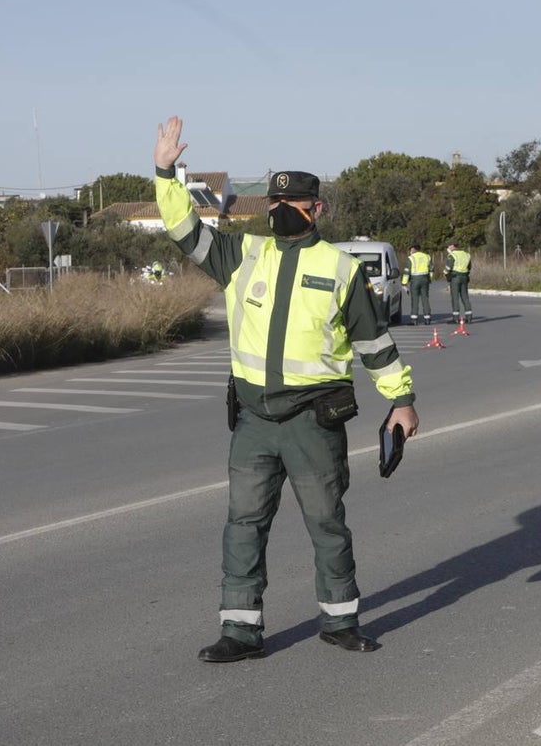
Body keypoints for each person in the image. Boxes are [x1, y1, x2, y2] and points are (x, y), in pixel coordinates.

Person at [153, 116, 419, 662]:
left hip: (312, 422)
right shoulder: (243, 255)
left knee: (326, 523)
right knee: (243, 526)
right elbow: (183, 230)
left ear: (315, 209)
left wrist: (401, 400)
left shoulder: (342, 270)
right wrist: (164, 173)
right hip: (253, 420)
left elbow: (374, 342)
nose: (278, 211)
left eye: (290, 204)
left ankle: (340, 622)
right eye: (272, 204)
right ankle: (240, 632)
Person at [402, 243, 432, 325]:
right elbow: (431, 269)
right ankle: (427, 319)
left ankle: (414, 320)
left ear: (413, 249)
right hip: (425, 279)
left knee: (415, 299)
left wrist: (404, 283)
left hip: (415, 280)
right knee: (425, 298)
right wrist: (430, 279)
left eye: (410, 249)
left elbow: (407, 272)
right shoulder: (427, 256)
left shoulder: (411, 258)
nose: (410, 251)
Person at [444, 243, 473, 324]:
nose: (448, 248)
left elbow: (447, 268)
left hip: (455, 277)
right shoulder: (467, 254)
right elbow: (469, 267)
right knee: (465, 297)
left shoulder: (452, 255)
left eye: (448, 246)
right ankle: (469, 317)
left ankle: (456, 318)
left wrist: (446, 275)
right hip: (465, 277)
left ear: (453, 246)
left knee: (455, 297)